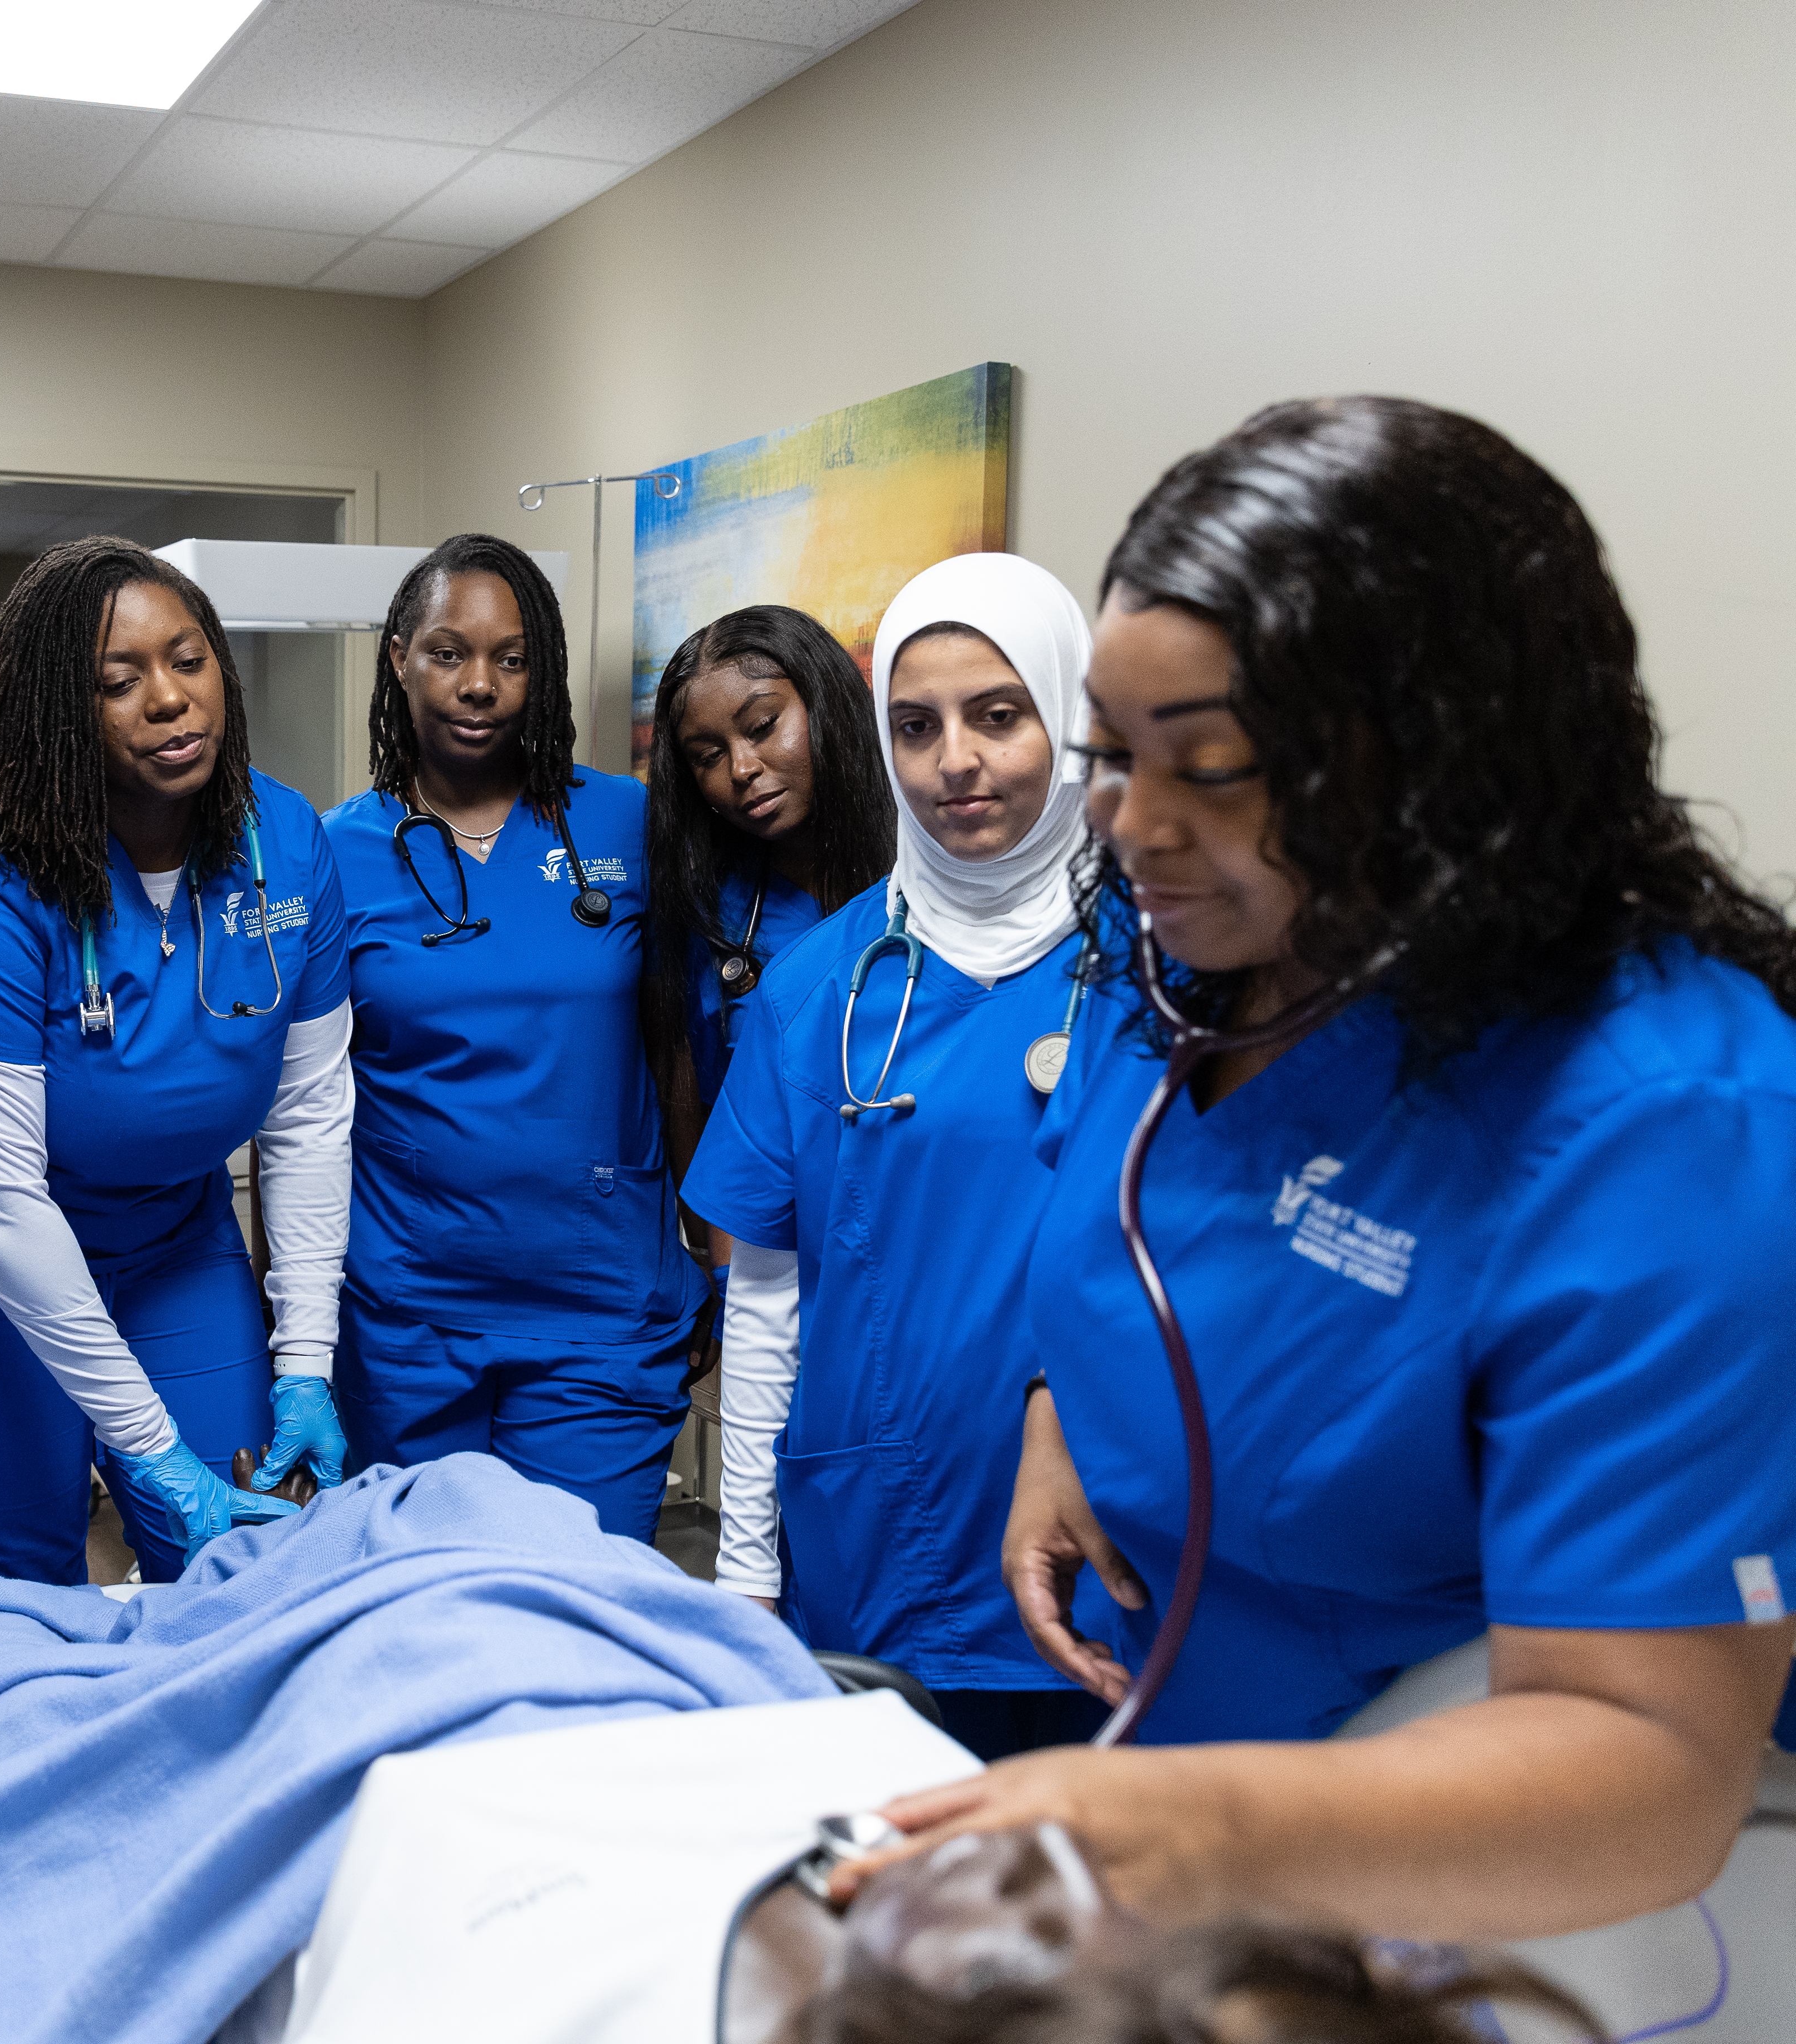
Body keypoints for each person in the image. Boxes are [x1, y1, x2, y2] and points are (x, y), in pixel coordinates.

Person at [852, 397, 1796, 1939]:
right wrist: (1062, 1412)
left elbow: (1652, 1764)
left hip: (1475, 1896)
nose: (1133, 826)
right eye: (1111, 752)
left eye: (1209, 767)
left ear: (1437, 766)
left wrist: (1187, 1830)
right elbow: (1126, 1216)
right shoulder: (1170, 959)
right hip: (1178, 1803)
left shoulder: (1670, 1125)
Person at [0, 537, 350, 1587]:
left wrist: (307, 1362)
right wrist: (144, 1445)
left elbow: (309, 1114)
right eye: (119, 682)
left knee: (237, 1556)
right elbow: (0, 1202)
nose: (168, 700)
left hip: (165, 1227)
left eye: (189, 660)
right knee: (21, 1565)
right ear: (59, 713)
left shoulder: (280, 839)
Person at [683, 554, 1112, 1759]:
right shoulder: (819, 988)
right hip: (885, 1545)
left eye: (999, 715)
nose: (954, 762)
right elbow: (764, 1297)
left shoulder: (1163, 970)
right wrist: (746, 1568)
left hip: (1114, 1531)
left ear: (1073, 721)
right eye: (916, 727)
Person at [322, 533, 705, 1540]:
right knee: (419, 1620)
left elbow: (681, 1044)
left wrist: (706, 1245)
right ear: (399, 656)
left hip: (599, 1307)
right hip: (408, 1314)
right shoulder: (332, 853)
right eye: (449, 652)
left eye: (513, 657)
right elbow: (300, 1104)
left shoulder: (631, 824)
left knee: (579, 1615)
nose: (481, 684)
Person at [639, 605, 894, 1381]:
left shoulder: (923, 873)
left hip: (923, 1251)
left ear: (827, 704)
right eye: (707, 754)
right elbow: (696, 1096)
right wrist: (720, 1279)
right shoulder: (712, 913)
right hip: (775, 1270)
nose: (741, 769)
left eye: (762, 726)